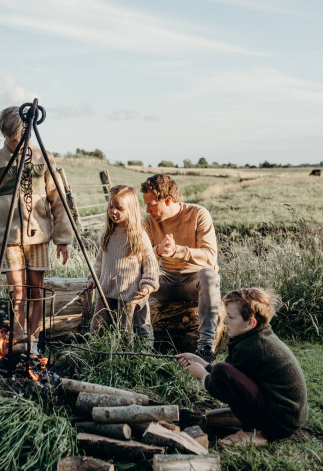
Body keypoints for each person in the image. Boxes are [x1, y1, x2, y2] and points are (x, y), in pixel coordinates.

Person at [0, 106, 73, 353]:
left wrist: (63, 238)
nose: (19, 143)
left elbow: (58, 199)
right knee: (17, 292)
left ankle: (34, 340)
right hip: (8, 238)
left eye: (23, 138)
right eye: (13, 140)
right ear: (5, 136)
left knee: (36, 289)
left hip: (38, 236)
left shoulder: (44, 158)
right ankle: (19, 339)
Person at [177, 288, 308, 446]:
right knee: (220, 369)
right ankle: (255, 422)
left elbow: (223, 387)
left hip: (280, 421)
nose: (224, 321)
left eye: (231, 317)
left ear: (250, 322)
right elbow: (237, 374)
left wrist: (202, 376)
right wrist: (204, 364)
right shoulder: (254, 336)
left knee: (220, 369)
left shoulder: (254, 346)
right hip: (286, 416)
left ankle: (251, 432)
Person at [141, 173, 221, 362]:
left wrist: (178, 251)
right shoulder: (149, 222)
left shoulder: (198, 214)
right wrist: (158, 251)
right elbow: (138, 256)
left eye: (151, 204)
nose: (147, 209)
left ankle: (206, 348)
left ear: (167, 200)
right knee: (135, 273)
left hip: (193, 280)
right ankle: (143, 344)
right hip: (165, 280)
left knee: (209, 275)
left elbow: (210, 256)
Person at [89, 185, 159, 342]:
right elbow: (100, 261)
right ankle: (95, 353)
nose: (113, 211)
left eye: (119, 208)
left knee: (127, 330)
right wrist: (94, 278)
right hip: (106, 291)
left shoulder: (138, 236)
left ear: (131, 210)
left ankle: (137, 358)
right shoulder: (108, 233)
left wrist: (147, 285)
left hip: (129, 293)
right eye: (111, 207)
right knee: (97, 326)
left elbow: (150, 263)